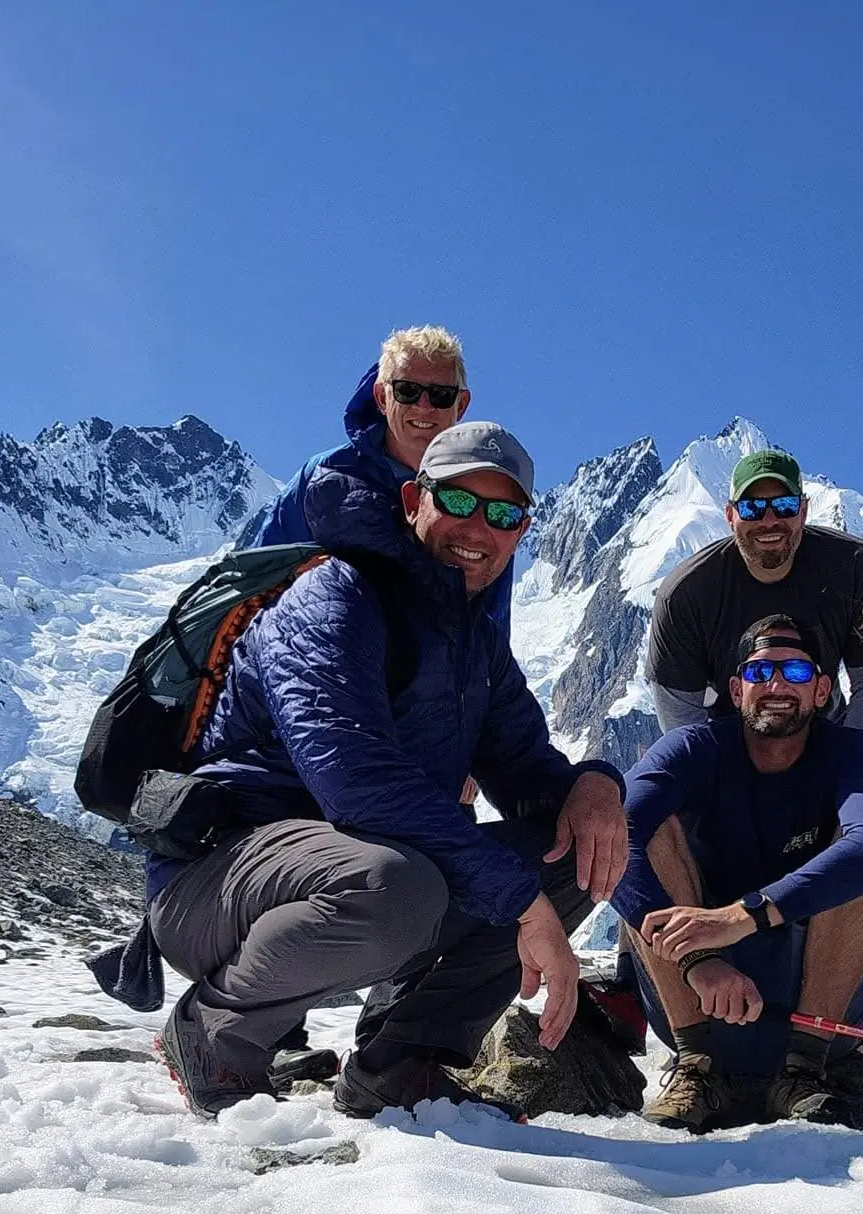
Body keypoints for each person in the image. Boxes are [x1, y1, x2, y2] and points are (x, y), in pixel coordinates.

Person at [149, 422, 628, 1121]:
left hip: (353, 877)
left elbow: (529, 773)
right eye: (459, 502)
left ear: (522, 530)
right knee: (397, 886)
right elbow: (357, 780)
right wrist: (523, 905)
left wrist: (597, 785)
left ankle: (399, 1061)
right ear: (413, 501)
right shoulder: (332, 597)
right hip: (218, 879)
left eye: (503, 514)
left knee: (581, 848)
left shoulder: (477, 645)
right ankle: (214, 1033)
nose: (478, 528)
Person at [613, 617, 863, 1131]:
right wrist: (700, 958)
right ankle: (696, 1068)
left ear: (822, 690)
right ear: (736, 690)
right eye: (761, 672)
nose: (777, 685)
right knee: (639, 824)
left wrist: (746, 915)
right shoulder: (693, 749)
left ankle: (803, 1071)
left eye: (796, 671)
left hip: (824, 1010)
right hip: (698, 997)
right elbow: (613, 833)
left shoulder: (853, 754)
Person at [645, 448, 863, 737]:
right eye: (752, 508)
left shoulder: (856, 568)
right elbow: (681, 716)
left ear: (803, 511)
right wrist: (712, 777)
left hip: (824, 739)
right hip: (728, 745)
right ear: (730, 515)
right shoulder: (686, 593)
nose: (769, 520)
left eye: (784, 505)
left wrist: (853, 764)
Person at [245, 325, 471, 549]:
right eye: (407, 390)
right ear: (382, 397)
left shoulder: (483, 488)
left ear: (460, 405)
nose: (423, 406)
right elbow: (262, 572)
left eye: (441, 394)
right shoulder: (322, 474)